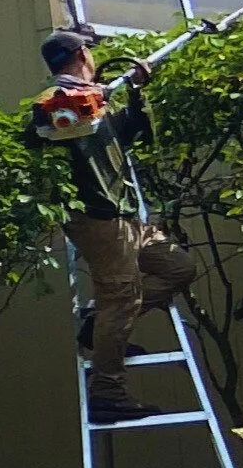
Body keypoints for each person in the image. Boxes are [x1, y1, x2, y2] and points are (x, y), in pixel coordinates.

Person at [28, 24, 196, 423]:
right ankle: (108, 391)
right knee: (121, 299)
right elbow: (44, 127)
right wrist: (95, 96)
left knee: (178, 268)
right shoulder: (57, 100)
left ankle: (95, 324)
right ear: (83, 55)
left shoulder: (94, 103)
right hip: (97, 219)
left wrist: (136, 91)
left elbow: (131, 131)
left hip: (124, 217)